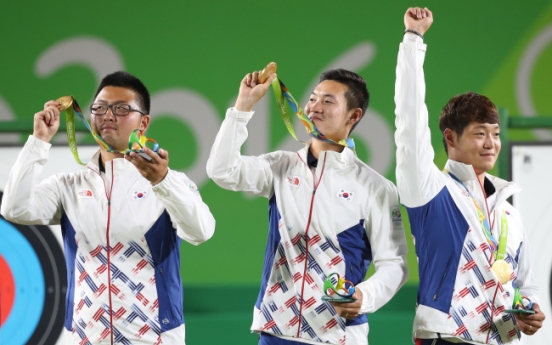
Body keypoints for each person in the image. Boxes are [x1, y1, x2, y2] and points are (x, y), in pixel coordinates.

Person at [0, 71, 215, 344]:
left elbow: (202, 231)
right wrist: (39, 141)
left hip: (155, 339)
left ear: (144, 123)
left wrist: (163, 181)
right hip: (85, 338)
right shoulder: (69, 186)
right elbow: (14, 209)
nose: (108, 116)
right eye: (100, 108)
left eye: (122, 109)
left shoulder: (169, 183)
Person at [206, 68, 408, 345]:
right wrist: (243, 106)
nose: (314, 107)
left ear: (354, 116)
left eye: (328, 101)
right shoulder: (281, 167)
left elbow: (394, 263)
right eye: (313, 98)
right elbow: (222, 171)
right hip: (276, 331)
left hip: (339, 335)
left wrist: (365, 296)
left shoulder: (376, 188)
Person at [394, 7, 545, 345]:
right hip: (445, 339)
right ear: (450, 138)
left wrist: (530, 311)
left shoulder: (508, 212)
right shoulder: (431, 190)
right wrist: (413, 40)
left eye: (495, 133)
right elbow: (409, 121)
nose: (491, 143)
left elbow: (526, 284)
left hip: (501, 340)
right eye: (479, 133)